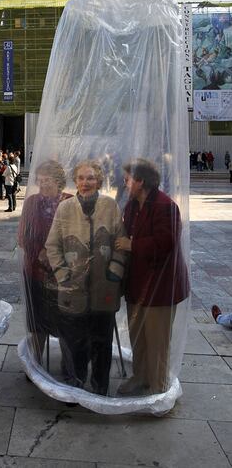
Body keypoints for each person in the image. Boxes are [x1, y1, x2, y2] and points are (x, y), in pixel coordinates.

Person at [46, 160, 127, 395]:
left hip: (104, 289)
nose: (85, 183)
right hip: (74, 289)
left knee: (103, 342)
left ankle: (100, 388)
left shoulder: (110, 206)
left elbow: (121, 243)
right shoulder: (65, 208)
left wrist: (114, 272)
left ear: (99, 181)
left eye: (90, 178)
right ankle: (76, 387)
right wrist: (62, 275)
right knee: (74, 342)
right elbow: (52, 245)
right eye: (81, 178)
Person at [116, 159, 190, 396]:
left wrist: (132, 244)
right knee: (138, 337)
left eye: (127, 179)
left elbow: (166, 242)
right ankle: (140, 377)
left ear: (140, 181)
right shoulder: (132, 205)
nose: (124, 183)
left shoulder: (164, 206)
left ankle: (158, 387)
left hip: (160, 286)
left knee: (157, 341)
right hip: (137, 284)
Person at [18, 160, 71, 363]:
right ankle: (36, 360)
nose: (42, 185)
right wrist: (39, 253)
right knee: (37, 319)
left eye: (47, 180)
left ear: (58, 181)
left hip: (63, 273)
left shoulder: (70, 202)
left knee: (65, 318)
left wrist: (55, 255)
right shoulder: (32, 202)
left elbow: (77, 237)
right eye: (39, 181)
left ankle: (69, 362)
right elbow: (23, 235)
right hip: (36, 271)